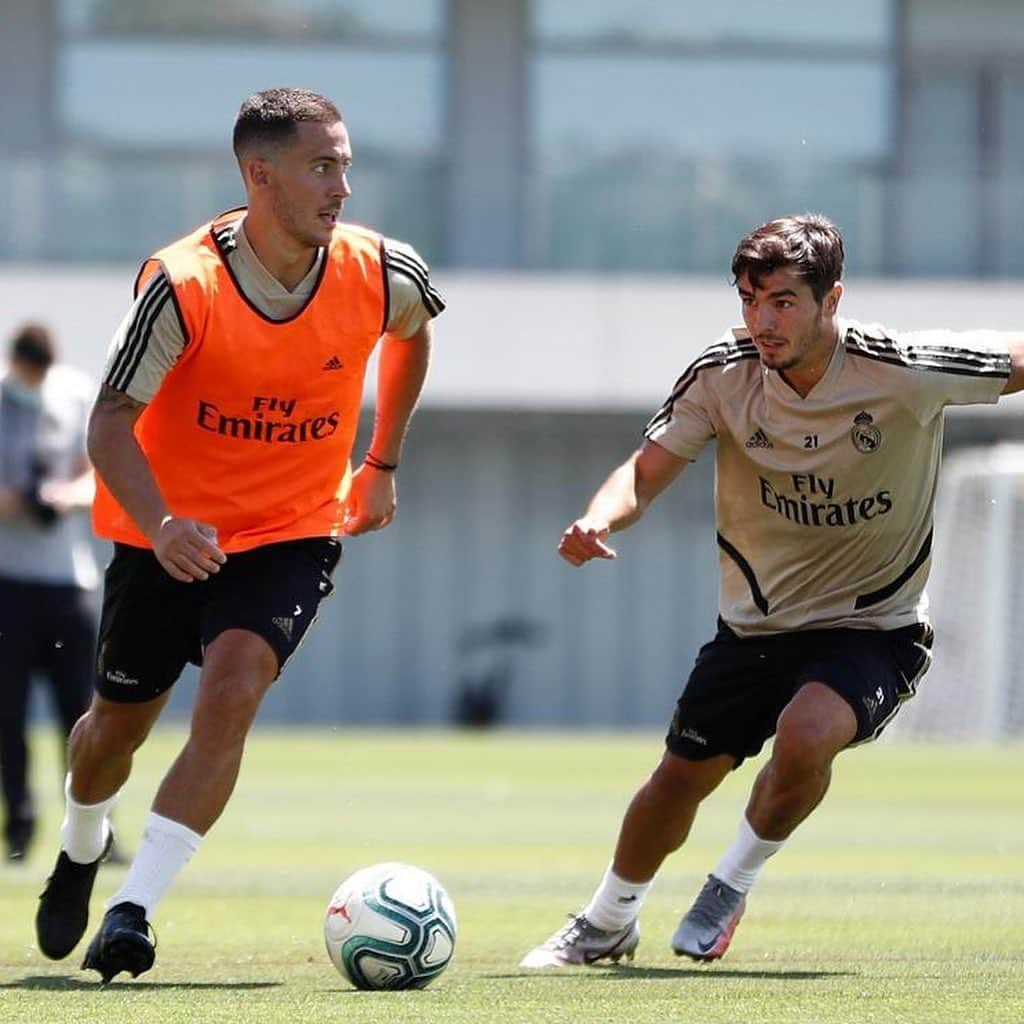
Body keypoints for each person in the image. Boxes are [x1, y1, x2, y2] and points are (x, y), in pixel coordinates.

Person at [520, 213, 1024, 969]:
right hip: (755, 628)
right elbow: (645, 470)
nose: (763, 321)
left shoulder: (902, 366)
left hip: (875, 628)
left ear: (832, 300)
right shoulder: (723, 375)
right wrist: (599, 518)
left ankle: (731, 882)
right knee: (678, 778)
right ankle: (606, 920)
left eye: (784, 301)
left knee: (807, 731)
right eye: (750, 300)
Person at [34, 87, 443, 984]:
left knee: (236, 681)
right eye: (321, 166)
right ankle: (80, 841)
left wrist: (380, 465)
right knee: (112, 734)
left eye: (345, 163)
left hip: (293, 528)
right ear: (260, 176)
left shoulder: (385, 271)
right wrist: (164, 524)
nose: (342, 185)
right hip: (165, 538)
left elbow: (412, 338)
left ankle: (133, 909)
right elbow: (109, 424)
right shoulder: (182, 284)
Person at [0, 324, 99, 862]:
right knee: (7, 715)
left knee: (81, 715)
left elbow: (97, 473)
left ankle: (89, 831)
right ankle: (18, 822)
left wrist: (62, 496)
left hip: (66, 582)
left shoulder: (75, 393)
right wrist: (14, 502)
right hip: (7, 581)